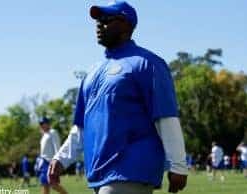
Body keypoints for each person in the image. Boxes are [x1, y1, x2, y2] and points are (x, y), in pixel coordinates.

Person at [48, 1, 188, 194]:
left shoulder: (147, 63)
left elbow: (165, 116)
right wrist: (61, 158)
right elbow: (81, 127)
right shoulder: (92, 72)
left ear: (126, 25)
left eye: (106, 19)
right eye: (97, 20)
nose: (99, 24)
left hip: (131, 168)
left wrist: (178, 165)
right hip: (99, 173)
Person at [37, 117, 68, 194]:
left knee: (53, 184)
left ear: (47, 124)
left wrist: (57, 161)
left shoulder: (53, 132)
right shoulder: (44, 134)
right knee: (45, 185)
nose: (41, 126)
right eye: (40, 124)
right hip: (43, 163)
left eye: (42, 124)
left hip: (50, 163)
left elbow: (57, 147)